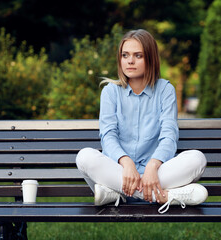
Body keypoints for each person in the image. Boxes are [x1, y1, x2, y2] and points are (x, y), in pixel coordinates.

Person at [76, 29, 208, 214]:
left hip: (156, 175)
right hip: (119, 172)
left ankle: (114, 195)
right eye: (125, 55)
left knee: (197, 159)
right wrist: (126, 163)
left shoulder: (165, 90)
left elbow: (169, 135)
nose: (130, 61)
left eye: (138, 55)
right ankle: (165, 197)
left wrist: (153, 167)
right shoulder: (110, 91)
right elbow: (108, 135)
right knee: (84, 157)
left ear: (151, 59)